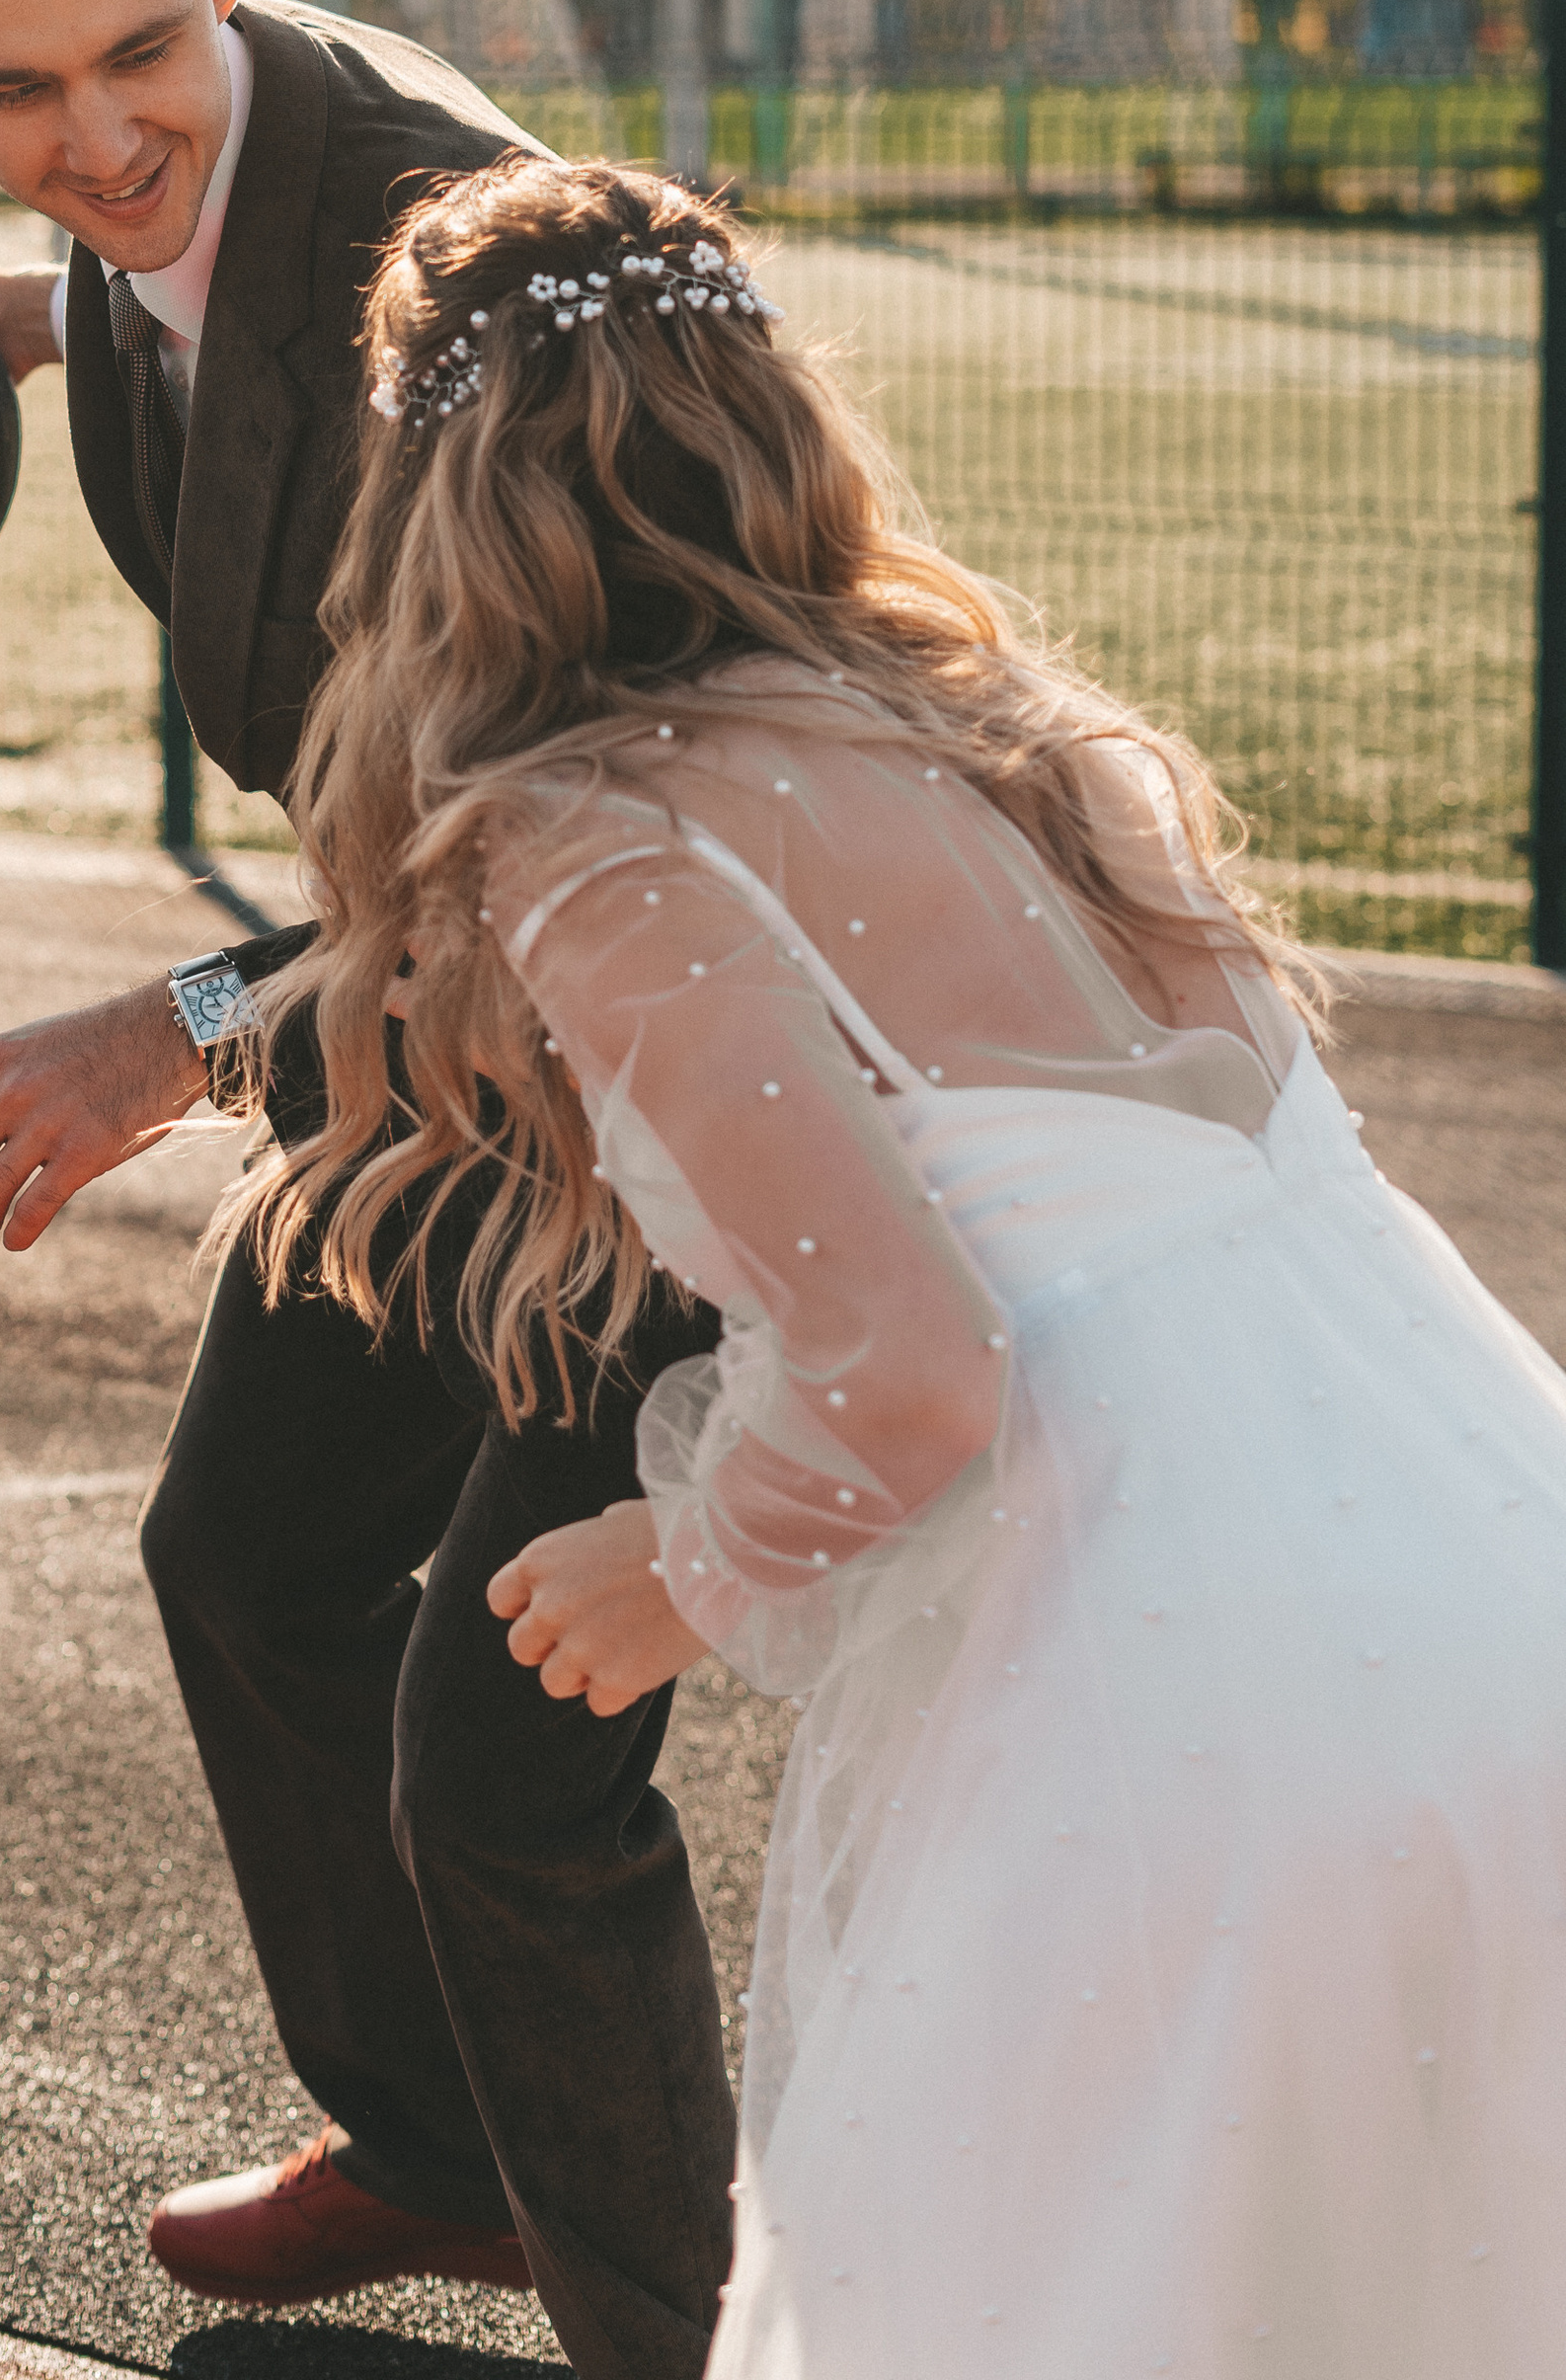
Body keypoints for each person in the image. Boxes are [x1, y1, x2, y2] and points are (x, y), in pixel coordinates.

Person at [226, 141, 1566, 2379]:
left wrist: (673, 1557)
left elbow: (910, 1366)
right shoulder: (1015, 734)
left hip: (1182, 1698)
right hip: (1492, 1592)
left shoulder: (600, 833)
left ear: (423, 488)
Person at [0, 0, 740, 2377]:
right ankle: (446, 2155)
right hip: (451, 1026)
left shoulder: (453, 276)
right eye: (11, 91)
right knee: (248, 1560)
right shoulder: (155, 218)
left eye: (140, 54)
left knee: (513, 1742)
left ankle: (678, 2334)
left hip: (696, 1030)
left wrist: (181, 1035)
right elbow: (160, 270)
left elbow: (628, 827)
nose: (95, 131)